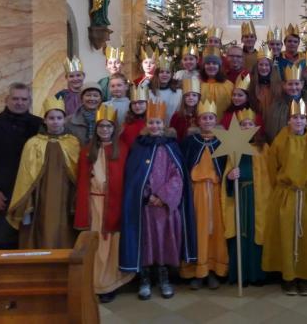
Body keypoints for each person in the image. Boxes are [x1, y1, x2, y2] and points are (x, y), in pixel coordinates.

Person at [120, 99, 196, 300]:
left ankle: (164, 278)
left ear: (164, 124)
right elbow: (135, 176)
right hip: (145, 206)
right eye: (151, 122)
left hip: (165, 207)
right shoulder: (139, 146)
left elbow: (178, 175)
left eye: (158, 122)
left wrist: (162, 197)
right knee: (146, 240)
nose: (154, 126)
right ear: (146, 124)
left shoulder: (171, 146)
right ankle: (145, 279)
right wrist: (148, 195)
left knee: (164, 240)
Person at [74, 103, 134, 303]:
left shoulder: (122, 149)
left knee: (111, 243)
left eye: (108, 126)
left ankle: (110, 283)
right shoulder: (87, 150)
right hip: (93, 203)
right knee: (97, 242)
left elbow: (126, 178)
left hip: (114, 203)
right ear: (96, 128)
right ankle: (96, 282)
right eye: (101, 126)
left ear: (114, 128)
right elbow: (82, 180)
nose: (105, 129)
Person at [262, 98, 307, 296]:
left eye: (302, 118)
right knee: (286, 235)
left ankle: (305, 276)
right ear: (288, 120)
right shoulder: (281, 139)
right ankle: (288, 276)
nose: (298, 121)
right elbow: (272, 166)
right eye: (295, 117)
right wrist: (282, 188)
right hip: (287, 194)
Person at [0, 83, 43, 249]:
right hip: (2, 195)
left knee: (33, 243)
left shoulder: (40, 125)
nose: (19, 103)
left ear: (29, 101)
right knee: (4, 244)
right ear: (7, 100)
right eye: (15, 99)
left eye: (24, 99)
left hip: (32, 195)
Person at [6, 97, 81, 249]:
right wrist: (28, 201)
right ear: (45, 120)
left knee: (65, 226)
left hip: (66, 194)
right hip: (41, 195)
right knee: (43, 223)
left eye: (59, 118)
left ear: (64, 120)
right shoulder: (33, 143)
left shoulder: (73, 142)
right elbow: (26, 176)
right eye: (51, 118)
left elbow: (79, 173)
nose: (55, 122)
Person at [179, 100, 229, 289]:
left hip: (217, 192)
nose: (207, 121)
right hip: (196, 192)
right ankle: (198, 271)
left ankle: (214, 270)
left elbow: (228, 165)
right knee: (197, 230)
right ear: (198, 121)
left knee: (216, 231)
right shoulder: (190, 142)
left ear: (215, 120)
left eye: (210, 118)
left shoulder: (222, 141)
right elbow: (182, 167)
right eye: (204, 118)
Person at [222, 109, 272, 286]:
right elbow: (226, 173)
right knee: (240, 234)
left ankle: (257, 275)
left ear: (256, 127)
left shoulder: (263, 148)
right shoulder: (232, 148)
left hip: (258, 197)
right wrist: (230, 177)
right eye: (243, 125)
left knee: (257, 234)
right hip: (240, 196)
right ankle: (240, 274)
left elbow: (269, 174)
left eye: (250, 124)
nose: (247, 127)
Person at [264, 64, 307, 143]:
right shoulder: (277, 106)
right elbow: (272, 129)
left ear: (302, 84)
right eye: (290, 84)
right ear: (284, 85)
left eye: (297, 84)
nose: (294, 88)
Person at [247, 46, 282, 119]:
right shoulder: (251, 83)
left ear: (271, 67)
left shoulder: (278, 85)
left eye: (267, 65)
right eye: (261, 64)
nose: (263, 67)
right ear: (257, 66)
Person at [200, 46, 234, 120]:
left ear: (219, 66)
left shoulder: (229, 85)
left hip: (224, 124)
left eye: (214, 63)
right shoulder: (198, 85)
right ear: (204, 66)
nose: (211, 66)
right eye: (208, 63)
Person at [149, 56, 182, 123]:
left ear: (171, 75)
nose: (164, 74)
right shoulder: (149, 92)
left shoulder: (178, 92)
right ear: (157, 74)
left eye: (168, 72)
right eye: (161, 72)